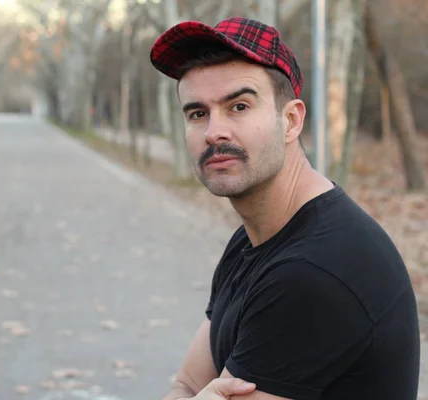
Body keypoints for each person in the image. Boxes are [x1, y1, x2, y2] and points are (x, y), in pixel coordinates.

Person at [149, 16, 421, 400]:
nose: (214, 132)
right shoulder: (252, 239)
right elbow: (188, 385)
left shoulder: (316, 271)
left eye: (239, 106)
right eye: (198, 113)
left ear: (291, 121)